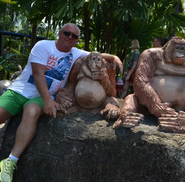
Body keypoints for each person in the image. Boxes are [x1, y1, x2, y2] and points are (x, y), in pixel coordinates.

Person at [0, 23, 123, 182]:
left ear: (77, 40)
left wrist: (114, 58)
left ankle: (10, 161)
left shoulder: (76, 53)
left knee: (31, 112)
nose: (69, 37)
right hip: (21, 90)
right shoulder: (43, 46)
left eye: (74, 36)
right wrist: (48, 101)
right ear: (59, 33)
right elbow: (38, 74)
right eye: (66, 33)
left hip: (41, 97)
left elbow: (98, 55)